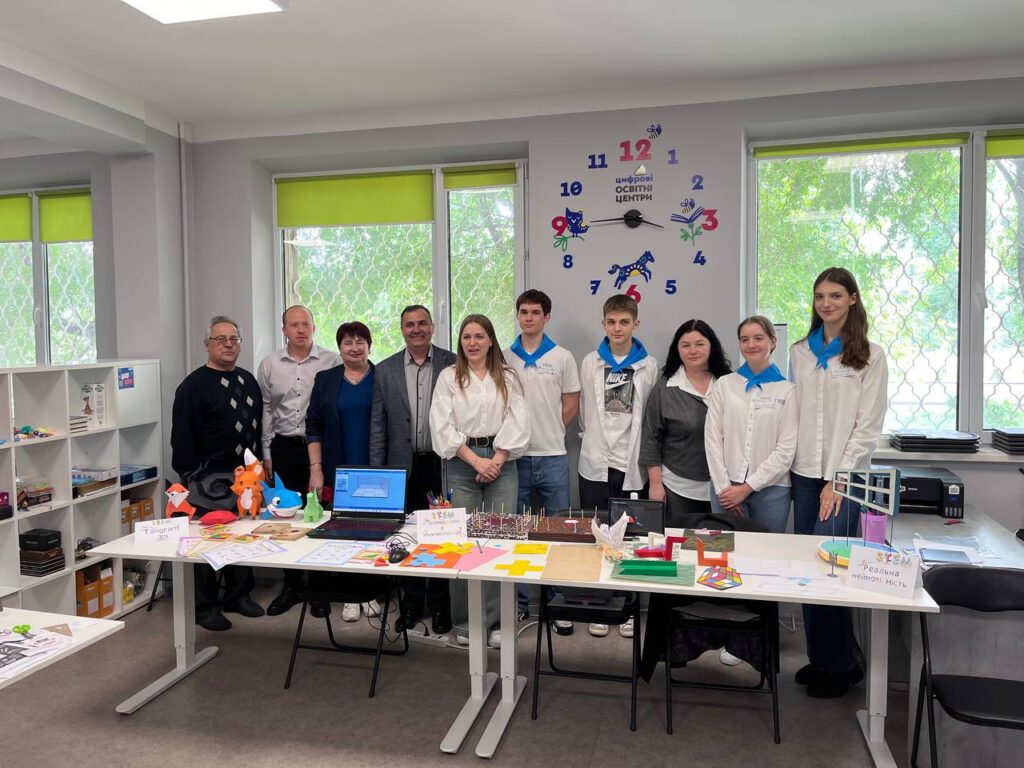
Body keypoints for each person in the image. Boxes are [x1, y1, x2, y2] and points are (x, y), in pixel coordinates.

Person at [790, 267, 888, 698]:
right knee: (807, 566)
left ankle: (841, 665)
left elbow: (867, 428)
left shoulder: (870, 355)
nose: (826, 303)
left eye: (834, 295)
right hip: (804, 473)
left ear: (852, 299)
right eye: (819, 296)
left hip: (844, 478)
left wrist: (838, 479)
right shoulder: (799, 352)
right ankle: (825, 657)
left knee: (830, 566)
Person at [430, 314, 530, 648]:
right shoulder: (449, 377)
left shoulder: (509, 376)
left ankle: (499, 620)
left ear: (490, 341)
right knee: (463, 544)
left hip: (502, 462)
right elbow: (441, 425)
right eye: (466, 337)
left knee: (499, 542)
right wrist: (476, 461)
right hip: (461, 462)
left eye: (479, 336)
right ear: (460, 342)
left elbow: (518, 420)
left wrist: (495, 462)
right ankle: (467, 622)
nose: (472, 343)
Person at [170, 315, 264, 631]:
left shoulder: (248, 381)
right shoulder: (192, 387)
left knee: (243, 536)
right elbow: (182, 437)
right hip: (206, 477)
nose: (228, 344)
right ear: (207, 344)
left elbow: (256, 429)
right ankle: (205, 606)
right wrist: (191, 475)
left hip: (245, 478)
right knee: (207, 542)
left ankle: (238, 596)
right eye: (220, 339)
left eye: (233, 339)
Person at [369, 304, 456, 635]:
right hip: (401, 467)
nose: (416, 329)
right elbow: (378, 425)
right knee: (405, 536)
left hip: (441, 463)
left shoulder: (452, 363)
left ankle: (441, 605)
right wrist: (379, 473)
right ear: (402, 329)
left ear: (432, 327)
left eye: (422, 323)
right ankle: (411, 603)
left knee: (441, 536)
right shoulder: (385, 369)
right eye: (409, 324)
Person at [578, 294, 658, 638]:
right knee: (598, 534)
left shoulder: (649, 365)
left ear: (635, 324)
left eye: (624, 322)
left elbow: (650, 415)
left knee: (629, 538)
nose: (617, 328)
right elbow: (585, 411)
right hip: (596, 461)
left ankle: (627, 608)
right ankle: (600, 604)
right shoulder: (590, 362)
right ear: (603, 324)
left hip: (631, 463)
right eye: (611, 322)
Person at [257, 305, 339, 616]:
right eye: (294, 325)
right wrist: (266, 452)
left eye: (306, 324)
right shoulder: (270, 364)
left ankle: (319, 587)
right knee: (286, 515)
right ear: (284, 330)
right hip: (284, 448)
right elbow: (266, 409)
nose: (300, 330)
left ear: (314, 327)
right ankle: (291, 585)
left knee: (320, 515)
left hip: (320, 448)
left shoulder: (331, 361)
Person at [505, 289, 580, 623]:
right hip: (515, 458)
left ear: (546, 317)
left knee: (559, 533)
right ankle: (520, 603)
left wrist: (551, 428)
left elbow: (572, 403)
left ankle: (557, 603)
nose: (529, 317)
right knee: (518, 533)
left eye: (535, 312)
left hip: (553, 457)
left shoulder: (562, 357)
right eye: (524, 312)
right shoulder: (504, 357)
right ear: (517, 316)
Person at [306, 321, 382, 622]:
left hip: (375, 467)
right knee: (344, 530)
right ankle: (350, 596)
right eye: (348, 342)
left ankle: (370, 591)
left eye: (360, 341)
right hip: (338, 467)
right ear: (339, 348)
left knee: (373, 530)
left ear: (369, 345)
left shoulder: (382, 376)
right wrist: (316, 469)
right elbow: (313, 426)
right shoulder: (325, 379)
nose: (354, 347)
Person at [705, 315, 797, 533]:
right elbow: (712, 438)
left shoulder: (788, 390)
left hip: (772, 490)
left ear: (773, 341)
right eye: (744, 339)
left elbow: (786, 450)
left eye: (758, 338)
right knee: (725, 550)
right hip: (726, 487)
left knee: (767, 550)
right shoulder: (725, 385)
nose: (751, 344)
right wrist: (725, 489)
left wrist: (746, 488)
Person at [641, 319, 732, 527]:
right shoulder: (665, 388)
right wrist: (655, 484)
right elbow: (650, 439)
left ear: (711, 346)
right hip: (677, 488)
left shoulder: (729, 384)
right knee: (682, 543)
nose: (693, 351)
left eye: (699, 344)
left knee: (721, 544)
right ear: (677, 349)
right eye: (685, 345)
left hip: (724, 488)